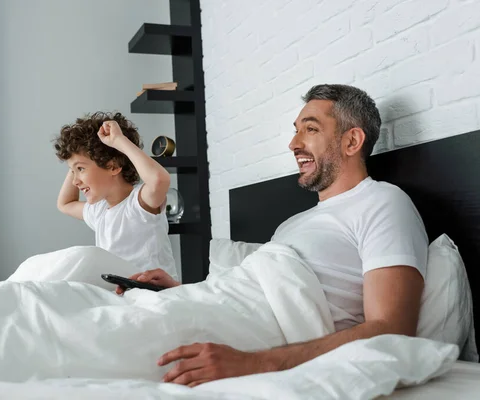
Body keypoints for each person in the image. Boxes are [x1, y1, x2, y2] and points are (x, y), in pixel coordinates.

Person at [127, 84, 429, 387]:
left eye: (310, 129)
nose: (293, 143)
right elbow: (252, 293)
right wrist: (179, 291)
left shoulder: (382, 202)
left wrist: (256, 362)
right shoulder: (292, 224)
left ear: (352, 141)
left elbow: (393, 330)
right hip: (207, 311)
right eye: (296, 130)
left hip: (252, 342)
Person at [54, 111, 178, 281]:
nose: (75, 181)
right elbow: (65, 204)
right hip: (121, 294)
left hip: (155, 291)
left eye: (81, 169)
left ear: (113, 167)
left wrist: (119, 141)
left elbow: (159, 179)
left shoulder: (139, 204)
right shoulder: (98, 211)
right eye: (72, 171)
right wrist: (73, 157)